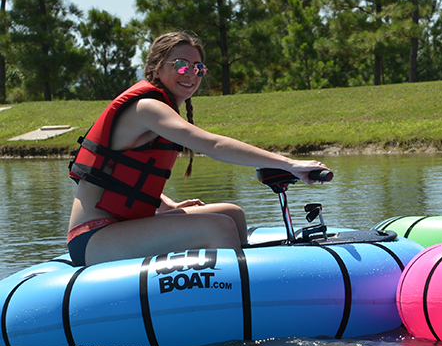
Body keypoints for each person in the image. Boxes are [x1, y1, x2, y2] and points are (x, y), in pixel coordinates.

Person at [67, 31, 328, 267]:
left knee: (232, 214)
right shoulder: (147, 107)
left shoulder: (161, 108)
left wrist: (167, 206)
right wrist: (289, 163)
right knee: (218, 226)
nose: (191, 73)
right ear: (156, 69)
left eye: (198, 67)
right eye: (181, 65)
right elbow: (213, 145)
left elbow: (125, 178)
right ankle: (234, 303)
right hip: (94, 236)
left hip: (126, 227)